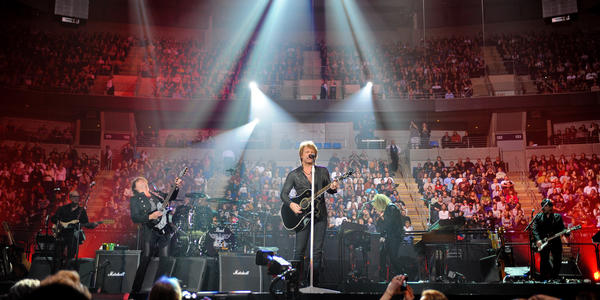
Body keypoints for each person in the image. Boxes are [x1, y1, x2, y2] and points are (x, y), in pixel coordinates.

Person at [280, 141, 339, 285]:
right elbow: (283, 194)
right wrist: (292, 204)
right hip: (302, 217)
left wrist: (334, 187)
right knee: (299, 250)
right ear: (301, 155)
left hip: (320, 215)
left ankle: (313, 283)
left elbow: (330, 189)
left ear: (315, 155)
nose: (309, 153)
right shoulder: (294, 174)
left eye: (311, 151)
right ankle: (295, 284)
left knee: (317, 251)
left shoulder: (322, 171)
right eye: (306, 151)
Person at [129, 176, 182, 294]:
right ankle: (135, 290)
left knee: (165, 260)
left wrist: (176, 186)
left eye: (143, 180)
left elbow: (171, 196)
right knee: (146, 258)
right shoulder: (135, 199)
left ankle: (159, 290)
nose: (142, 180)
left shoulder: (157, 194)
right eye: (139, 181)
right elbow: (134, 217)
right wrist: (150, 217)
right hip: (150, 230)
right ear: (136, 188)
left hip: (164, 230)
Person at [51, 190, 99, 267]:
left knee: (71, 256)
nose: (77, 199)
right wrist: (61, 223)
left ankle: (68, 269)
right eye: (74, 197)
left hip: (73, 236)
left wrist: (92, 225)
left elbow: (85, 223)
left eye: (78, 197)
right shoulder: (63, 209)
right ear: (70, 197)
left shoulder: (81, 211)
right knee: (58, 256)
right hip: (61, 234)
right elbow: (53, 219)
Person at [531, 199, 569, 280]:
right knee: (544, 260)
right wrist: (538, 240)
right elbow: (534, 229)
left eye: (546, 206)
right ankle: (543, 279)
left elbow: (562, 228)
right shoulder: (538, 217)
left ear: (550, 207)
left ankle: (554, 278)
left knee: (557, 260)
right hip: (543, 242)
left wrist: (566, 232)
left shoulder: (557, 217)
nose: (543, 207)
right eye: (543, 206)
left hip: (555, 242)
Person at [373, 193, 405, 281]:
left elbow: (390, 223)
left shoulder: (391, 208)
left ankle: (402, 275)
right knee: (382, 254)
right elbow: (383, 227)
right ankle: (383, 277)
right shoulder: (387, 209)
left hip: (395, 237)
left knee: (393, 257)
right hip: (390, 237)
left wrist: (382, 217)